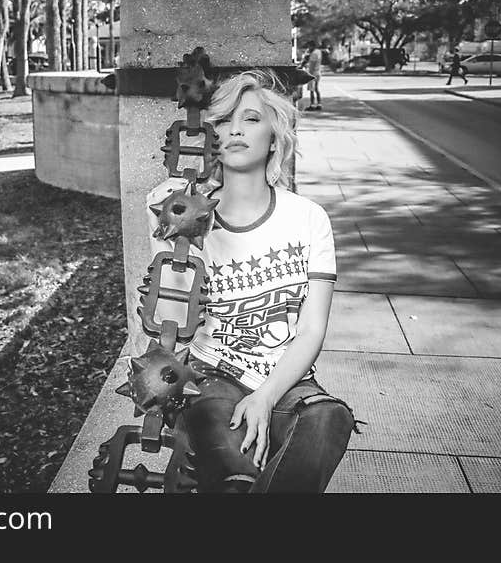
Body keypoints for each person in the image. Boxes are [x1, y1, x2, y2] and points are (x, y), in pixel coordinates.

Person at [144, 70, 359, 493]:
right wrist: (163, 222)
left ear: (275, 137)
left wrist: (265, 397)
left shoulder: (308, 218)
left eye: (252, 119)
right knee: (237, 475)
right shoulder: (184, 216)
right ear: (209, 136)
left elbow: (312, 329)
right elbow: (166, 317)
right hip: (210, 378)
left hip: (287, 380)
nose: (236, 129)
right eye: (223, 120)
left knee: (331, 417)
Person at [299, 41, 323, 110]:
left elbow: (312, 65)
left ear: (312, 46)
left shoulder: (314, 54)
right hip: (318, 72)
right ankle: (319, 104)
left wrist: (309, 75)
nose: (308, 48)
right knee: (316, 89)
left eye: (309, 46)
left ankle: (312, 105)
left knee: (312, 90)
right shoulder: (318, 52)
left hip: (313, 73)